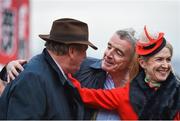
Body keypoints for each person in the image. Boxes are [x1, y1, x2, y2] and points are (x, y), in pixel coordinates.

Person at [4, 28, 137, 120]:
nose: (108, 54)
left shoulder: (142, 89)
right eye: (109, 47)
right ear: (72, 51)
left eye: (118, 52)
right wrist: (9, 68)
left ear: (133, 61)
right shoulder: (84, 67)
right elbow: (45, 69)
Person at [68, 26, 180, 120]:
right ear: (142, 63)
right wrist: (64, 69)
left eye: (168, 59)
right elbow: (82, 94)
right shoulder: (125, 94)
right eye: (159, 59)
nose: (165, 65)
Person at [0, 18, 98, 119]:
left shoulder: (51, 73)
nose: (85, 56)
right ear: (72, 51)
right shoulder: (33, 78)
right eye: (84, 51)